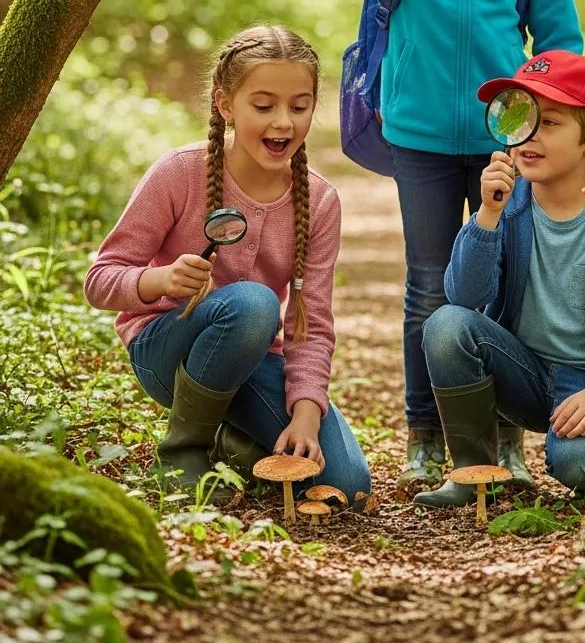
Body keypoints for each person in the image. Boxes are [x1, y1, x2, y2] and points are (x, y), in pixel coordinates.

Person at [178, 0, 583, 495]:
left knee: (507, 285)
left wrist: (544, 122)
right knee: (429, 288)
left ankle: (503, 437)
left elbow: (559, 40)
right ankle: (425, 433)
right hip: (421, 140)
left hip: (508, 145)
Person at [85, 26, 371, 502]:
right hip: (167, 353)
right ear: (225, 104)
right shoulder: (181, 173)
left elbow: (311, 324)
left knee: (344, 483)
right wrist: (161, 278)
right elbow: (99, 280)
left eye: (299, 106)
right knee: (255, 303)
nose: (283, 122)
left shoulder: (319, 200)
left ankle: (232, 440)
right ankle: (183, 451)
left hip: (253, 359)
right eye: (264, 106)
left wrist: (305, 411)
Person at [412, 50, 585, 507]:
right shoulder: (507, 208)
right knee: (446, 325)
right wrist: (487, 215)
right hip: (524, 373)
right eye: (520, 120)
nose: (528, 136)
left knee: (580, 466)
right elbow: (463, 296)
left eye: (549, 122)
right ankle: (474, 473)